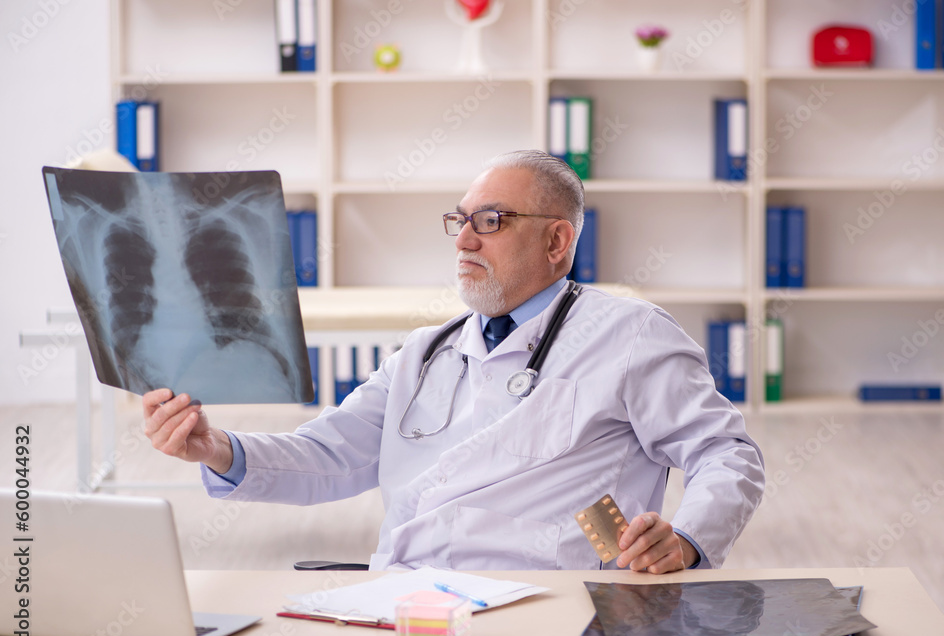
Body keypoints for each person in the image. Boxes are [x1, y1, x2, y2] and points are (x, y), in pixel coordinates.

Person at [143, 149, 765, 573]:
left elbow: (726, 453)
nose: (465, 239)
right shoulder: (426, 352)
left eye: (491, 221)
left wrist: (685, 541)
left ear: (557, 240)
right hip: (408, 603)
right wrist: (216, 447)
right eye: (461, 220)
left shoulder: (631, 336)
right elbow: (330, 457)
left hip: (555, 604)